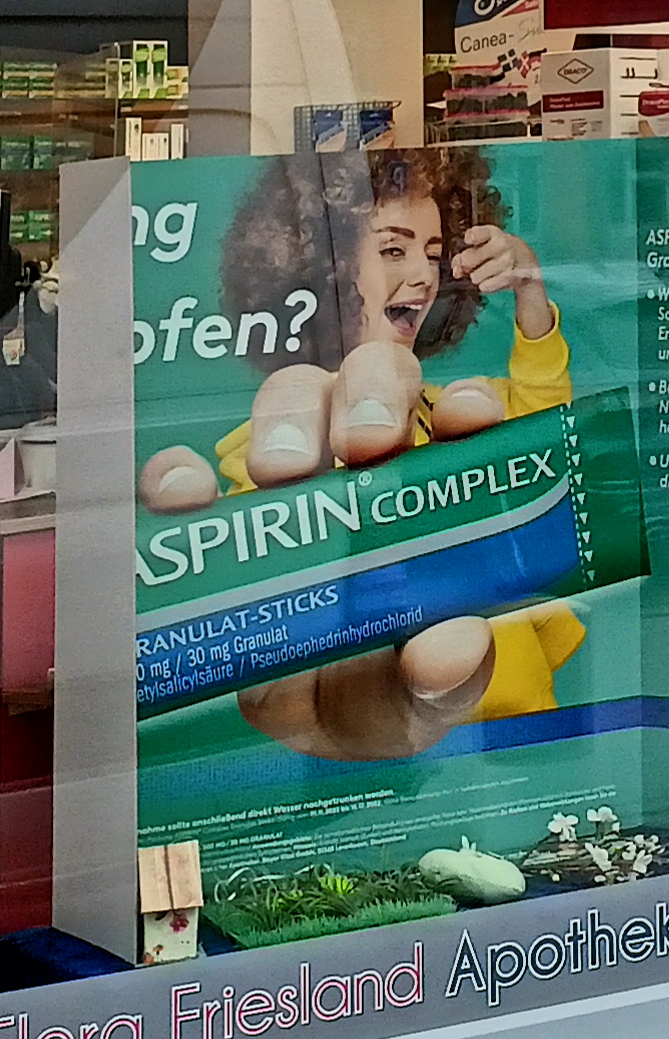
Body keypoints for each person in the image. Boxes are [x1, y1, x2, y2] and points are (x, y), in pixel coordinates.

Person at [136, 126, 575, 760]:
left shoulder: (457, 413)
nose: (425, 276)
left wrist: (530, 286)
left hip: (524, 744)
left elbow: (548, 428)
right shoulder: (264, 455)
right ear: (322, 267)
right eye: (394, 251)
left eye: (433, 251)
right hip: (389, 776)